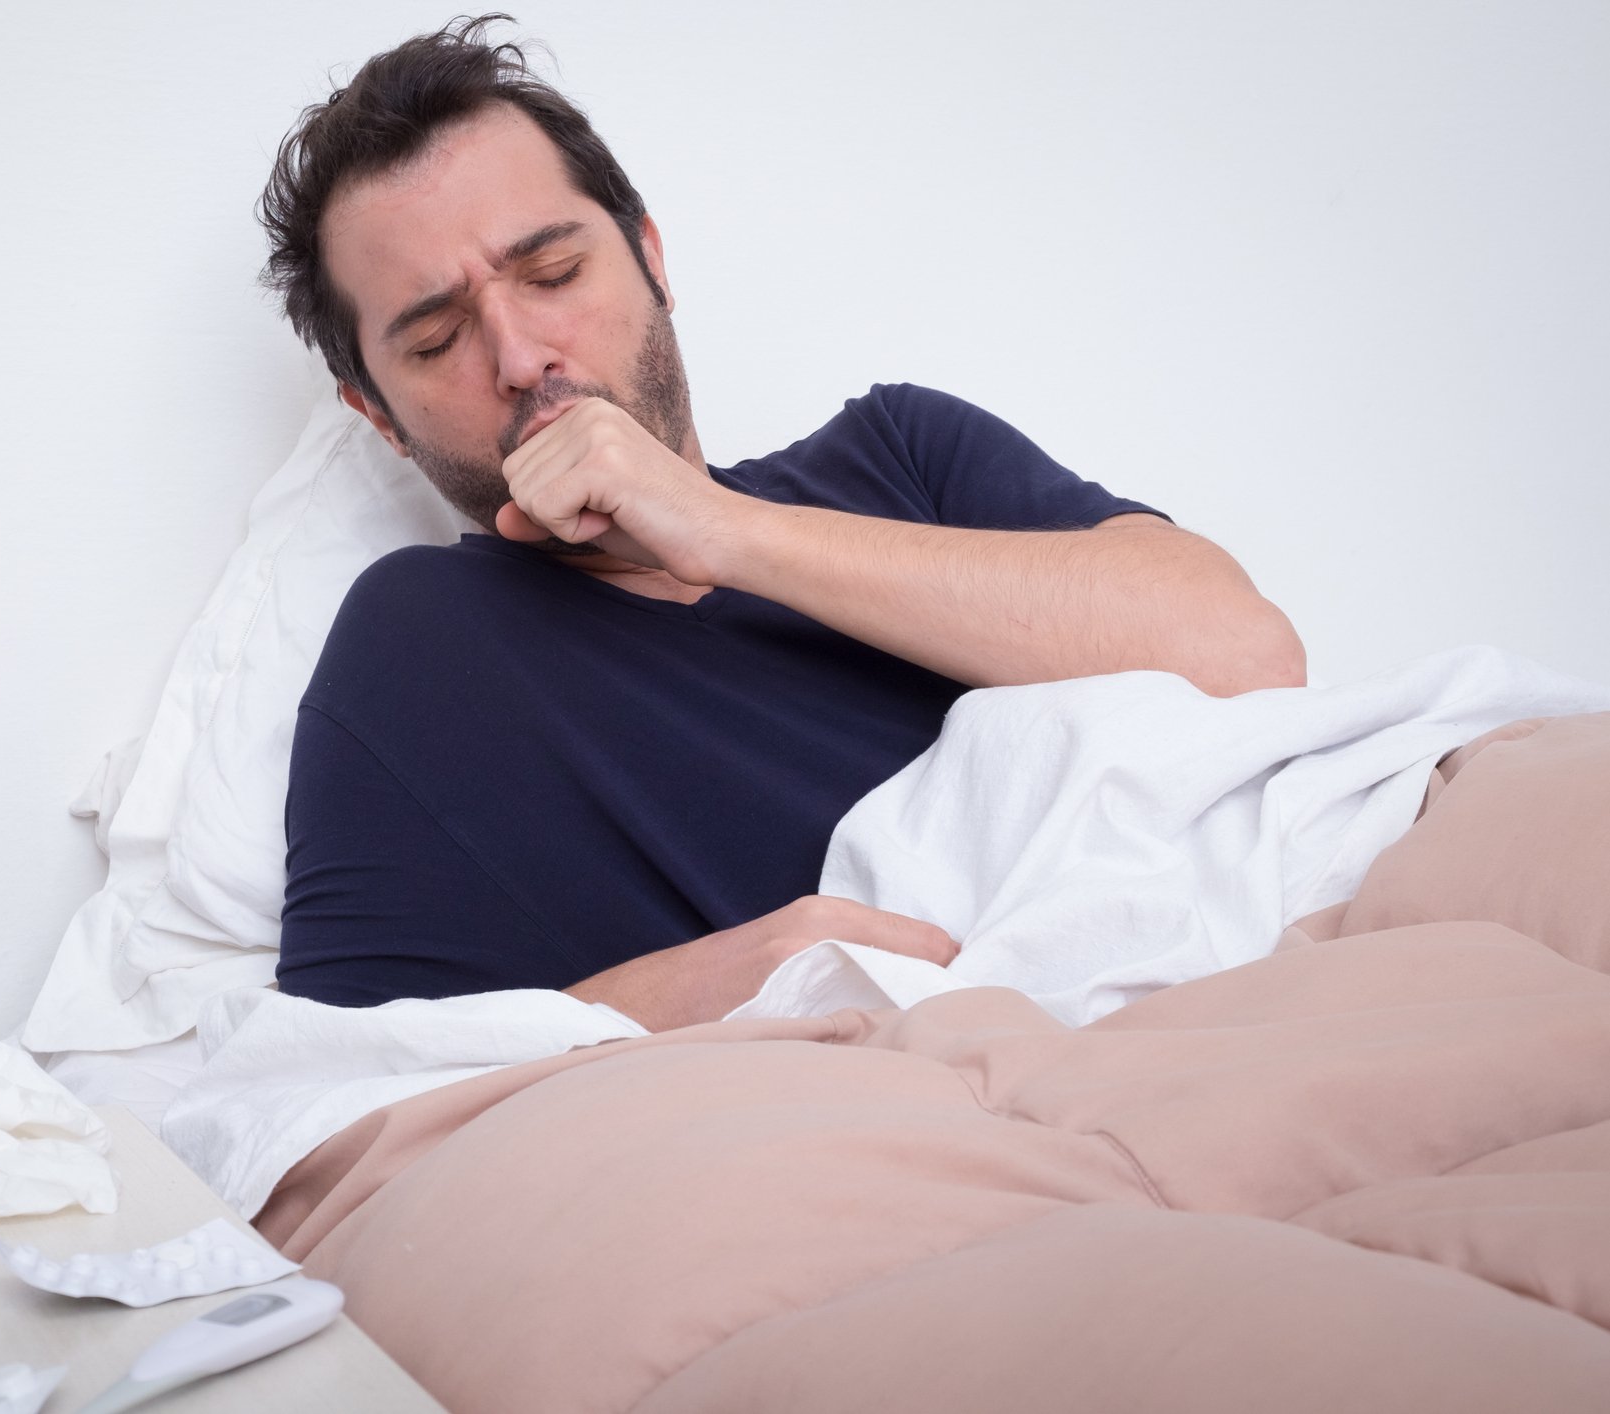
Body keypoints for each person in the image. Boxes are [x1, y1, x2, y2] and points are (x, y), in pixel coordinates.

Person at [253, 15, 1305, 1029]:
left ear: (652, 260)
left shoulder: (902, 449)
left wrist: (721, 530)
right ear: (378, 416)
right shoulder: (422, 644)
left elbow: (1247, 656)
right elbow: (334, 1081)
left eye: (554, 273)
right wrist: (702, 991)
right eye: (437, 339)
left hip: (1244, 972)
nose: (522, 358)